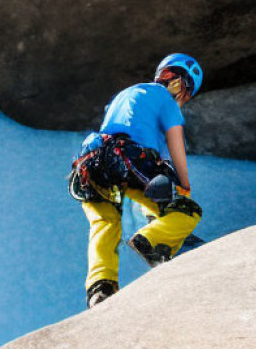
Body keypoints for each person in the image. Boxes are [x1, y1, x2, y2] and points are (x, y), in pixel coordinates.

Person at [68, 53, 205, 308]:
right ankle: (155, 239)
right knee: (187, 208)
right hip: (128, 156)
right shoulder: (166, 101)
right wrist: (184, 187)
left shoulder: (123, 95)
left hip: (91, 162)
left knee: (105, 223)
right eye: (184, 90)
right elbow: (174, 147)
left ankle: (101, 287)